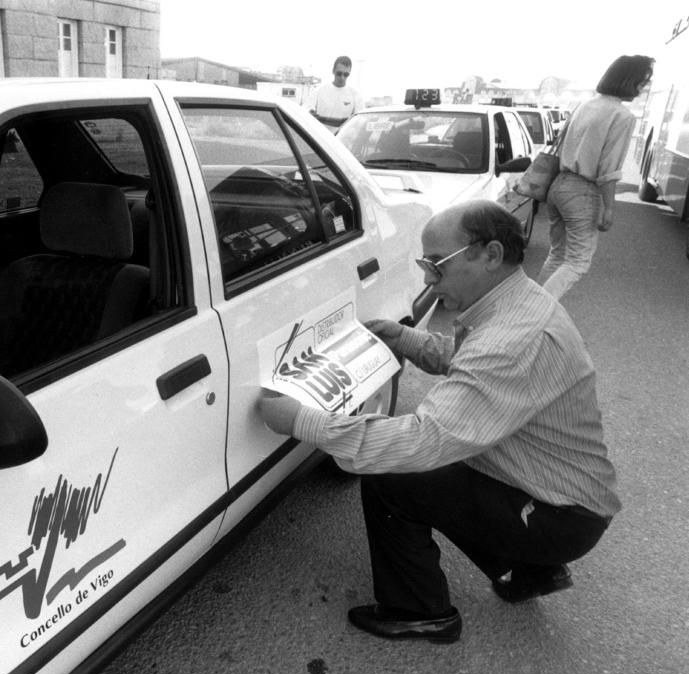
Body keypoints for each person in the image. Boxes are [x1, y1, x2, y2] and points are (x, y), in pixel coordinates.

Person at [258, 199, 620, 643]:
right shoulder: (517, 303)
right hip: (558, 497)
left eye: (436, 264)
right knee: (448, 470)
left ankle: (421, 611)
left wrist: (302, 421)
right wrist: (405, 338)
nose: (428, 278)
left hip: (558, 514)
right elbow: (473, 364)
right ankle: (532, 571)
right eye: (424, 263)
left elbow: (424, 440)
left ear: (490, 254)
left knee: (394, 474)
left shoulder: (512, 339)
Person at [536, 54, 654, 299]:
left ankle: (530, 304)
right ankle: (532, 313)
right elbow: (609, 170)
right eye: (642, 83)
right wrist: (609, 208)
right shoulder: (622, 115)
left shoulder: (584, 105)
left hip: (558, 186)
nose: (643, 89)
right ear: (628, 80)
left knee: (557, 254)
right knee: (578, 261)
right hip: (582, 191)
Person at [307, 56, 364, 132]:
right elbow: (308, 114)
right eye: (339, 73)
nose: (342, 77)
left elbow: (358, 121)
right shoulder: (319, 91)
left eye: (346, 74)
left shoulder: (355, 95)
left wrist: (321, 119)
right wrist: (343, 121)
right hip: (320, 138)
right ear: (333, 71)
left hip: (341, 140)